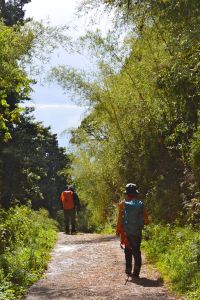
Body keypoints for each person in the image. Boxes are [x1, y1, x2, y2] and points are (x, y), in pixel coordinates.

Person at [116, 183, 149, 278]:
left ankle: (128, 269)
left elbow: (119, 219)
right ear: (136, 194)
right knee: (136, 250)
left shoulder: (122, 204)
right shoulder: (141, 204)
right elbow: (147, 220)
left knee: (127, 250)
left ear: (126, 194)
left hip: (126, 232)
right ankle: (136, 271)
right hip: (137, 232)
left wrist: (118, 229)